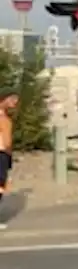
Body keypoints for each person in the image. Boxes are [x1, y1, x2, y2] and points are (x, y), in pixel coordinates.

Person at [0, 89, 16, 229]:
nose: (14, 103)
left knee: (2, 184)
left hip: (5, 154)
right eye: (12, 100)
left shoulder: (6, 117)